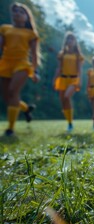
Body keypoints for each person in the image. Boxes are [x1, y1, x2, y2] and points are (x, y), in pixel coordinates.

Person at [0, 2, 41, 136]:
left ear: (27, 17)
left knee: (13, 91)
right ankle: (26, 109)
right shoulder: (5, 29)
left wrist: (35, 71)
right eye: (15, 11)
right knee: (7, 97)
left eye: (21, 12)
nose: (17, 13)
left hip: (22, 64)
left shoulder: (31, 34)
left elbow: (34, 54)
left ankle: (10, 129)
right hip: (6, 63)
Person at [53, 32, 84, 132]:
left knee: (67, 96)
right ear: (65, 41)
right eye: (68, 39)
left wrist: (79, 80)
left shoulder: (77, 55)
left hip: (73, 79)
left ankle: (70, 123)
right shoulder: (62, 54)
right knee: (63, 101)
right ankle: (69, 123)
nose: (70, 41)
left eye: (72, 39)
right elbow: (59, 68)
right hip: (63, 79)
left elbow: (79, 69)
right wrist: (55, 79)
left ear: (75, 42)